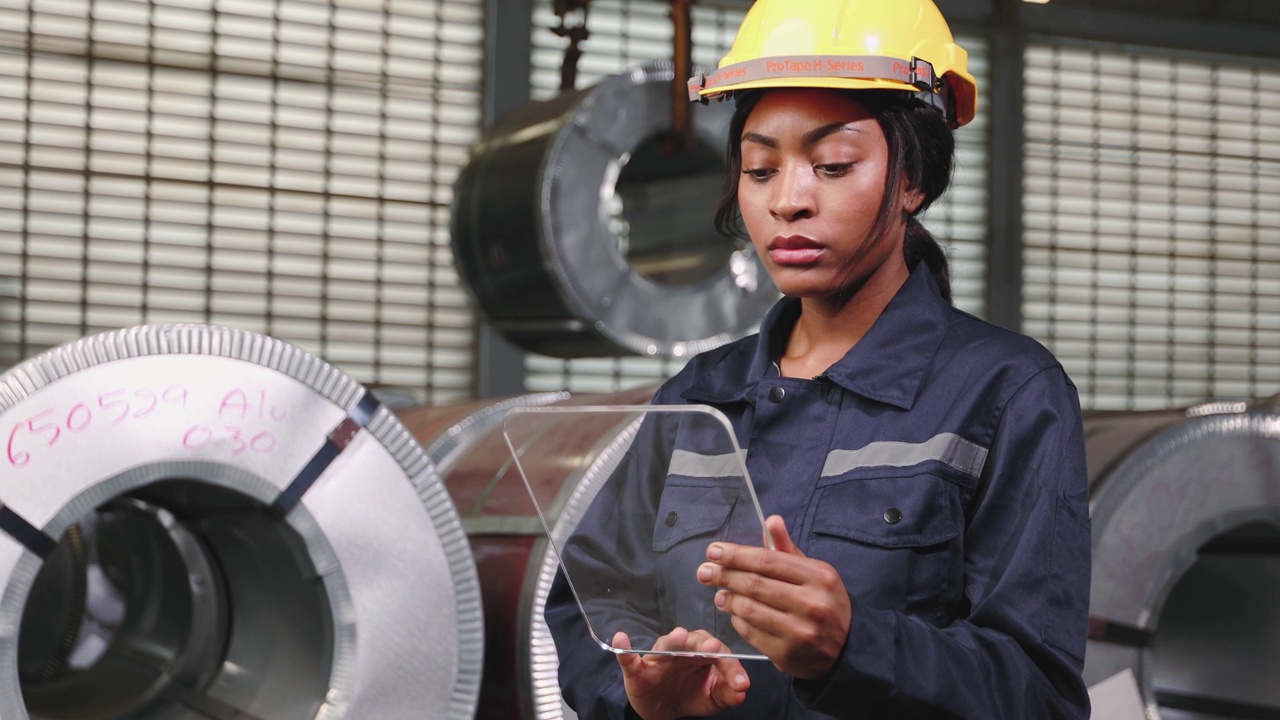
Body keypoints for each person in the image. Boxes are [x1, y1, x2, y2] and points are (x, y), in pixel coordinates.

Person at [544, 0, 1092, 718]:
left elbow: (1040, 695)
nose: (789, 201)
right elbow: (587, 611)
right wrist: (639, 696)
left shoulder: (1006, 394)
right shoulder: (700, 397)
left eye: (833, 165)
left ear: (911, 180)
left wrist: (852, 646)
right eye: (760, 168)